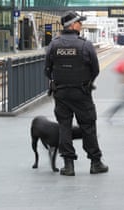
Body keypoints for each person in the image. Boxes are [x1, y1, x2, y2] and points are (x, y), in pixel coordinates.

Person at [45, 11, 108, 176]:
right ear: (72, 25)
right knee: (88, 126)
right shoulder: (85, 45)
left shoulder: (54, 45)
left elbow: (47, 70)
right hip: (81, 93)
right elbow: (95, 69)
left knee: (64, 127)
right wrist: (87, 82)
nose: (81, 25)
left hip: (61, 93)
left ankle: (68, 165)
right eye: (79, 22)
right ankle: (95, 163)